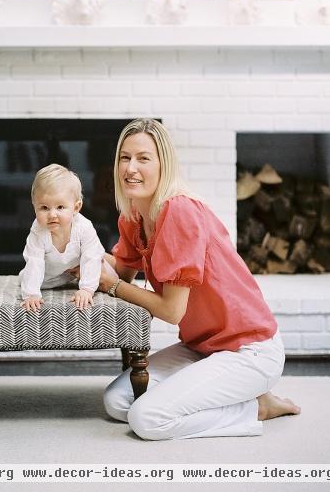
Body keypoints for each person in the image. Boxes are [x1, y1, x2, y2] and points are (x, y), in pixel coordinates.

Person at [99, 118, 300, 440]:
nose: (131, 168)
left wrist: (109, 284)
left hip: (248, 350)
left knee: (146, 419)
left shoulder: (179, 212)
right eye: (125, 157)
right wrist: (80, 257)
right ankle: (234, 396)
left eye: (143, 158)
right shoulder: (135, 214)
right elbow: (122, 271)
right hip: (201, 346)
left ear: (164, 164)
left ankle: (256, 408)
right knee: (117, 401)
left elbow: (170, 310)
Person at [19, 163, 105, 311]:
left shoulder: (84, 227)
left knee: (101, 264)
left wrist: (87, 289)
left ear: (76, 208)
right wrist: (31, 294)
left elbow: (91, 257)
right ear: (34, 207)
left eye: (60, 207)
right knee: (26, 276)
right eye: (44, 208)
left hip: (74, 273)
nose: (52, 215)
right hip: (47, 278)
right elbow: (34, 261)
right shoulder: (38, 231)